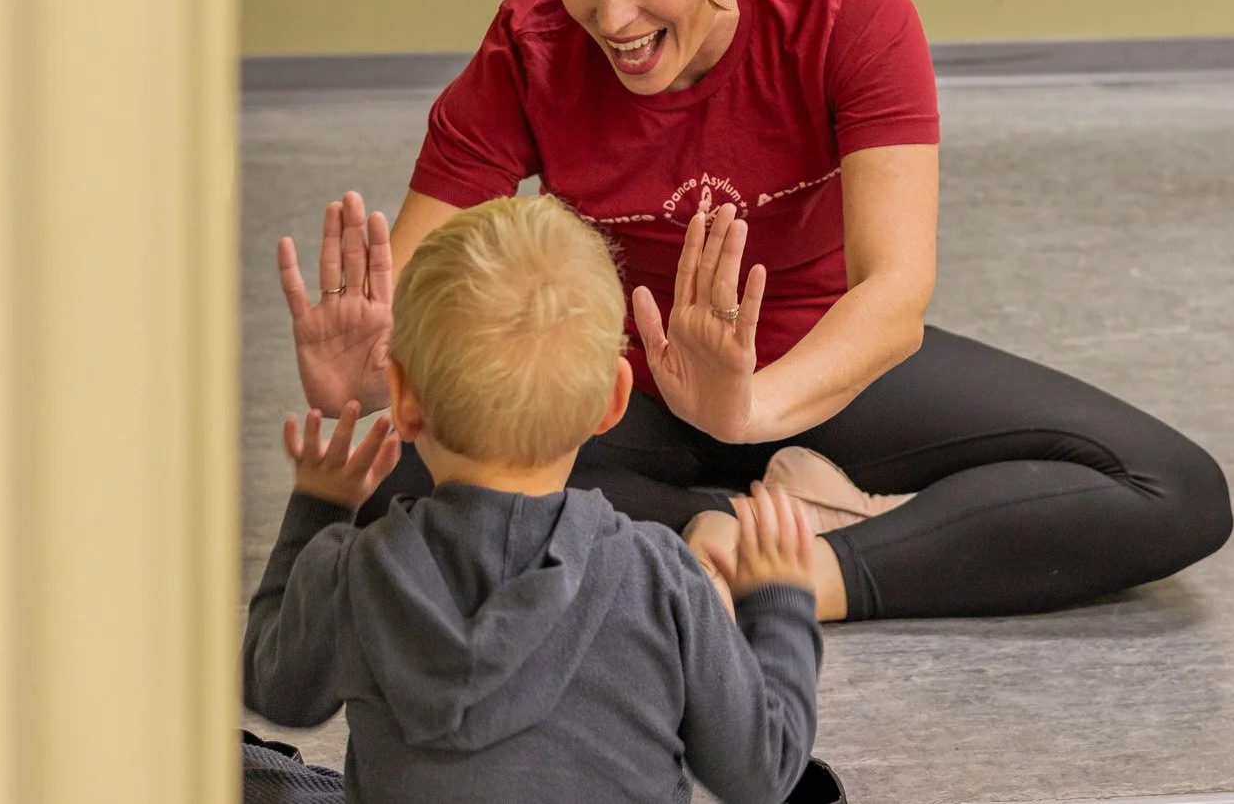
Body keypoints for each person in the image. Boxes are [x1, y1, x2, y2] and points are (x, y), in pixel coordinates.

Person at [282, 0, 1231, 622]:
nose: (610, 16)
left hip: (819, 362)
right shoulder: (530, 46)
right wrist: (370, 375)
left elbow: (894, 291)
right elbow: (409, 281)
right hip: (622, 385)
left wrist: (752, 409)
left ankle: (807, 572)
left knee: (1174, 488)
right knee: (393, 496)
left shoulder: (846, 9)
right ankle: (724, 524)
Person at [246, 197, 826, 804]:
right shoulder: (662, 578)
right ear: (614, 400)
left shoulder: (354, 570)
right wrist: (778, 603)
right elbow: (764, 774)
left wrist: (317, 509)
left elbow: (274, 687)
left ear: (403, 399)